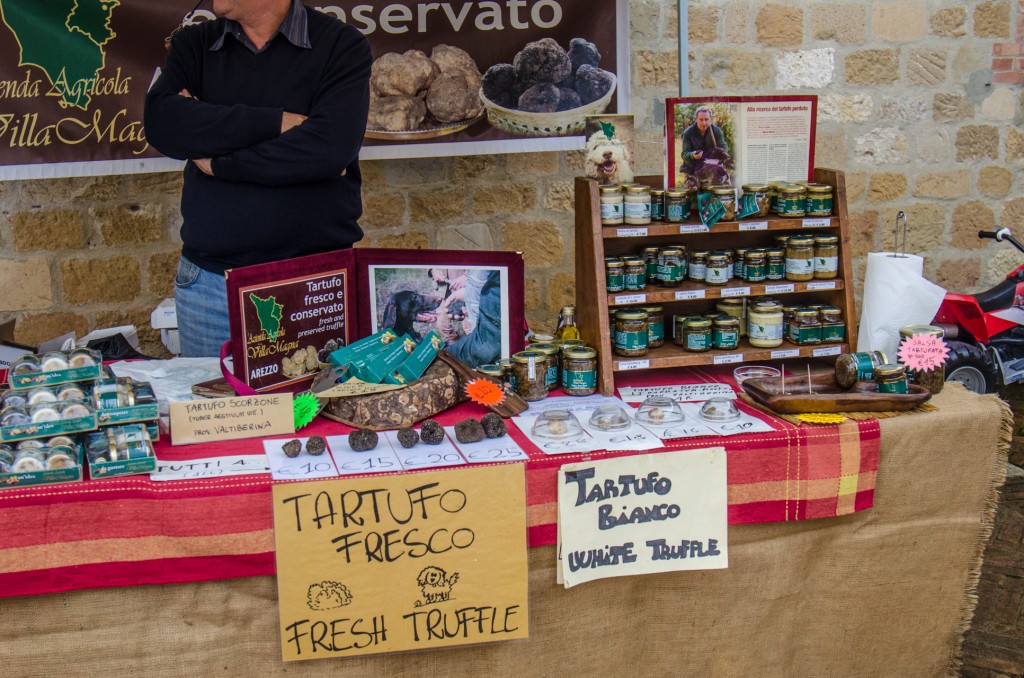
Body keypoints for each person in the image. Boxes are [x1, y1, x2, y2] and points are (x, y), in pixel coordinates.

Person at [144, 0, 371, 357]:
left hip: (314, 286)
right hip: (211, 287)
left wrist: (219, 163)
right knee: (214, 410)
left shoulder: (340, 45)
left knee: (311, 411)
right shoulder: (195, 45)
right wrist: (277, 123)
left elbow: (328, 151)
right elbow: (163, 124)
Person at [680, 105, 731, 188]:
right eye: (701, 120)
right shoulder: (688, 133)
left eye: (707, 119)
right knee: (693, 196)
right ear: (696, 119)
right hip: (694, 169)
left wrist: (718, 157)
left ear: (710, 119)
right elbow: (684, 154)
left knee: (719, 190)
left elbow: (724, 146)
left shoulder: (716, 131)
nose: (704, 123)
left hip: (713, 167)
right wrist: (693, 155)